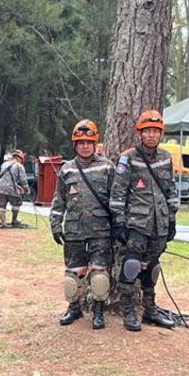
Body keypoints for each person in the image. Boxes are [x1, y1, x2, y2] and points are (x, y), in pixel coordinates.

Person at [108, 109, 178, 332]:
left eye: (155, 131)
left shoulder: (166, 158)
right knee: (130, 266)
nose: (151, 135)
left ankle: (150, 310)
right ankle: (129, 311)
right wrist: (118, 221)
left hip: (160, 223)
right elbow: (118, 192)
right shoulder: (128, 158)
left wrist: (172, 219)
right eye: (147, 131)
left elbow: (170, 190)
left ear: (160, 134)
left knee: (152, 268)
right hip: (136, 225)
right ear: (140, 133)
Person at [50, 120, 114, 330]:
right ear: (75, 145)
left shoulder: (107, 167)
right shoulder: (67, 170)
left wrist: (119, 224)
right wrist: (56, 224)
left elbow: (117, 199)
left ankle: (97, 311)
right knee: (72, 275)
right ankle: (74, 308)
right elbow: (59, 200)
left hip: (101, 230)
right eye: (81, 142)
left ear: (95, 143)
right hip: (74, 230)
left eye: (89, 142)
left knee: (99, 275)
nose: (85, 146)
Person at [0, 149, 29, 227]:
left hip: (0, 187)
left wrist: (17, 186)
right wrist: (26, 190)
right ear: (20, 158)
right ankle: (14, 220)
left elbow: (5, 177)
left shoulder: (4, 164)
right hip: (11, 189)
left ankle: (3, 223)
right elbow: (23, 180)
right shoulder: (19, 166)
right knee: (16, 203)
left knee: (1, 205)